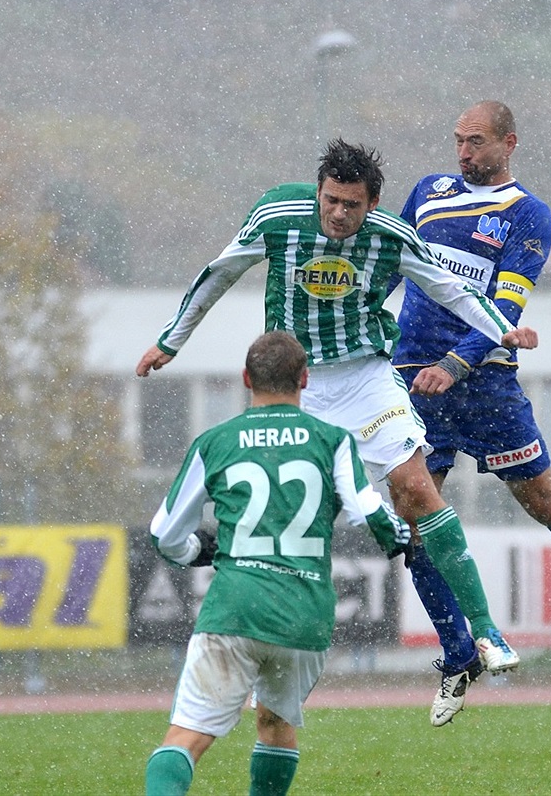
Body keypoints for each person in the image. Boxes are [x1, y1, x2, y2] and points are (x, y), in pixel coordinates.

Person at [137, 138, 539, 725]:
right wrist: (172, 339)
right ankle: (264, 659)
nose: (339, 215)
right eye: (331, 201)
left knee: (418, 491)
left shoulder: (392, 237)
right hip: (299, 387)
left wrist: (502, 328)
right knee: (287, 517)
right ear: (319, 191)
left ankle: (485, 633)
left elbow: (452, 289)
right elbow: (219, 273)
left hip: (368, 379)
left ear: (374, 204)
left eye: (352, 205)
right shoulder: (279, 214)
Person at [391, 101, 551, 724]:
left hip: (485, 385)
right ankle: (458, 656)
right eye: (457, 140)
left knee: (541, 504)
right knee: (415, 523)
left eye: (477, 141)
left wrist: (457, 365)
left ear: (508, 143)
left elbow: (504, 309)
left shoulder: (528, 215)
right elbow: (390, 269)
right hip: (415, 383)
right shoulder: (428, 194)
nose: (463, 152)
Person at [144, 331, 411, 796]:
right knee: (275, 724)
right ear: (305, 379)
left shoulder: (216, 442)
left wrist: (195, 552)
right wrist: (403, 536)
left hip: (236, 608)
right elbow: (369, 510)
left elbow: (163, 535)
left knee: (186, 736)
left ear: (246, 378)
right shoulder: (332, 440)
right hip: (304, 613)